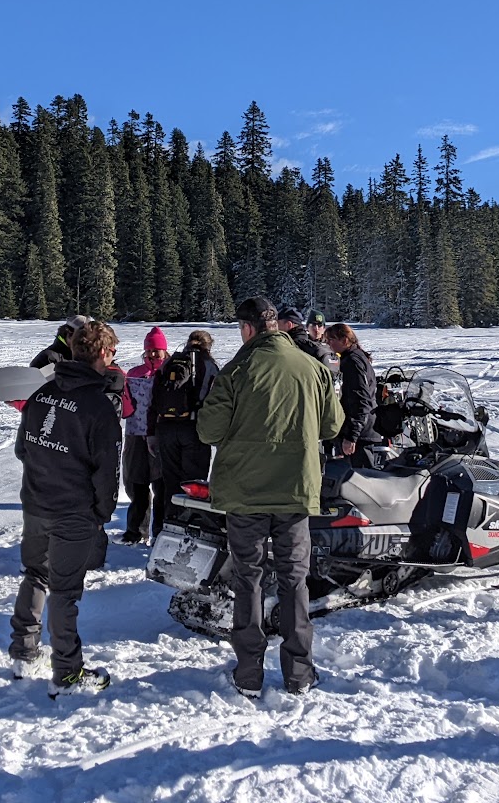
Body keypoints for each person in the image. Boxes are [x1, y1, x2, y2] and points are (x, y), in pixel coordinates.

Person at [198, 297, 343, 698]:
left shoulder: (237, 369)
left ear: (247, 328)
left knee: (249, 577)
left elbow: (208, 430)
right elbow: (333, 425)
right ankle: (299, 672)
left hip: (245, 492)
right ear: (274, 325)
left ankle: (249, 674)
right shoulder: (313, 367)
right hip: (295, 489)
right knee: (295, 578)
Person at [10, 320, 122, 696]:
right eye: (112, 352)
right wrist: (102, 512)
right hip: (72, 511)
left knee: (36, 575)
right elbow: (107, 471)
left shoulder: (42, 392)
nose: (113, 359)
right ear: (102, 353)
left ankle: (24, 652)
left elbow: (23, 448)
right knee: (64, 590)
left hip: (37, 503)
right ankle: (67, 673)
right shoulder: (99, 406)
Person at [151, 329, 221, 536]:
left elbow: (154, 397)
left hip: (166, 427)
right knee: (194, 484)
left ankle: (166, 529)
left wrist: (152, 431)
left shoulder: (169, 362)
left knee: (170, 482)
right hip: (194, 428)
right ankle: (190, 530)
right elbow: (216, 400)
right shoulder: (209, 366)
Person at [121, 327, 169, 545]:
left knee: (161, 485)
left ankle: (161, 531)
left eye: (156, 350)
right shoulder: (134, 373)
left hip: (159, 436)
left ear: (164, 350)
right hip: (135, 434)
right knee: (137, 484)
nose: (152, 354)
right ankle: (136, 531)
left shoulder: (169, 372)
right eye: (149, 350)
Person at [324, 324, 379, 465]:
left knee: (361, 475)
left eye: (331, 340)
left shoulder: (352, 362)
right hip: (361, 429)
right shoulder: (352, 358)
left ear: (344, 340)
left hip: (361, 434)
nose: (328, 344)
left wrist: (352, 436)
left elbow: (361, 400)